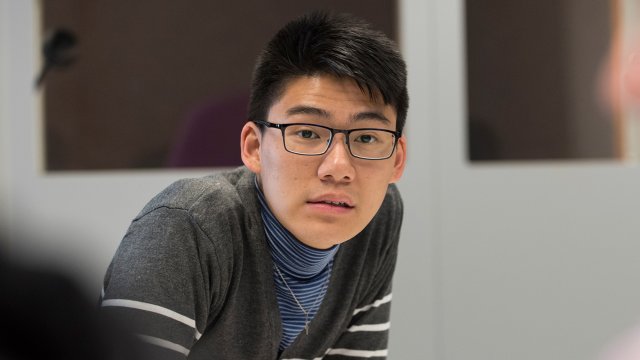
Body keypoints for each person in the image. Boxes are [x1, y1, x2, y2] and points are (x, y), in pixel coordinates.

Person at [100, 11, 408, 359]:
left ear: (397, 160)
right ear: (254, 147)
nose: (338, 168)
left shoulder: (377, 217)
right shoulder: (185, 227)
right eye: (307, 133)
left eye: (367, 137)